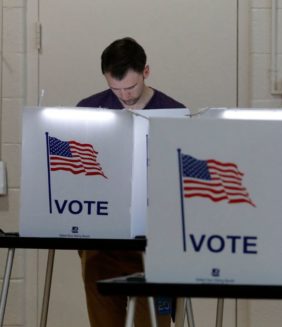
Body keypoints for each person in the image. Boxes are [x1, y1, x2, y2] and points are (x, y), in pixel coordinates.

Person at [77, 37, 185, 327]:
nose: (124, 96)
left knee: (151, 322)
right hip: (103, 240)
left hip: (156, 243)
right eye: (116, 89)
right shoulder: (89, 110)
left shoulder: (172, 113)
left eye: (131, 88)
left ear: (146, 72)